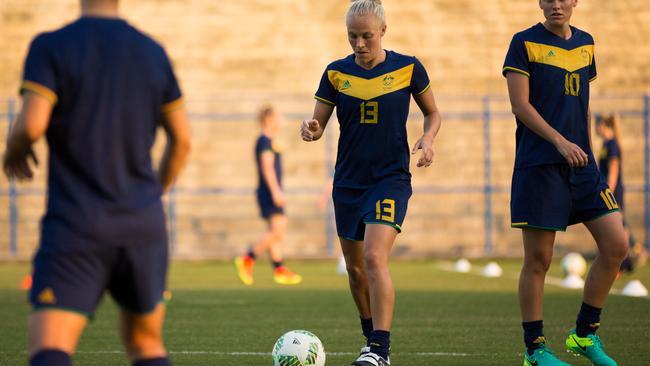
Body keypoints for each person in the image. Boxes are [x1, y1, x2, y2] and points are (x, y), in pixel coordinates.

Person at [2, 1, 191, 365]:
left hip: (78, 220)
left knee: (51, 345)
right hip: (142, 222)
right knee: (146, 344)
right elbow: (182, 140)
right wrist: (152, 194)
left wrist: (14, 149)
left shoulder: (51, 46)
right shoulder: (152, 51)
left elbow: (31, 125)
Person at [301, 1, 442, 364]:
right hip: (348, 182)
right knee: (356, 269)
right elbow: (317, 124)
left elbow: (433, 113)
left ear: (382, 31)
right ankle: (370, 339)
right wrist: (311, 129)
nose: (359, 43)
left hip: (389, 179)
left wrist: (428, 139)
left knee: (375, 256)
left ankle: (380, 349)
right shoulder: (335, 73)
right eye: (352, 36)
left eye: (366, 35)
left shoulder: (408, 68)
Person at [503, 1, 628, 365]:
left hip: (582, 165)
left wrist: (585, 148)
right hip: (540, 165)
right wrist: (559, 141)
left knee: (617, 244)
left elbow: (583, 106)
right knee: (539, 260)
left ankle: (585, 335)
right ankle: (535, 350)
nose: (556, 4)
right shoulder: (523, 43)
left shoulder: (587, 43)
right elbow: (519, 105)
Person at [235, 106, 302, 286]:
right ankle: (248, 258)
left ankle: (279, 269)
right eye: (278, 118)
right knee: (279, 230)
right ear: (269, 119)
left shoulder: (269, 141)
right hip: (268, 191)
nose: (281, 122)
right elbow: (267, 166)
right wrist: (275, 191)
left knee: (275, 231)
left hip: (269, 191)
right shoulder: (264, 140)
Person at [595, 114, 646, 271]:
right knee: (620, 224)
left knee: (618, 225)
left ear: (603, 125)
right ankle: (635, 253)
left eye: (596, 125)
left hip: (613, 191)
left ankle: (625, 261)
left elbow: (614, 169)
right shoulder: (606, 144)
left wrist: (608, 191)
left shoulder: (612, 145)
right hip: (609, 190)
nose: (595, 129)